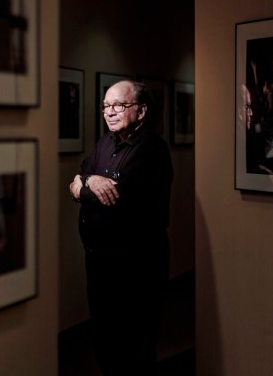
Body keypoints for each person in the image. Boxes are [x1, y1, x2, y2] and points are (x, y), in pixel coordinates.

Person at [68, 80, 173, 375]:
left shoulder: (152, 149)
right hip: (100, 261)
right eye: (106, 105)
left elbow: (119, 198)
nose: (110, 112)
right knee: (105, 342)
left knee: (134, 346)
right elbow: (83, 171)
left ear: (140, 112)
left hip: (136, 264)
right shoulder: (105, 143)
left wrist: (81, 187)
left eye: (119, 105)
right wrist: (89, 180)